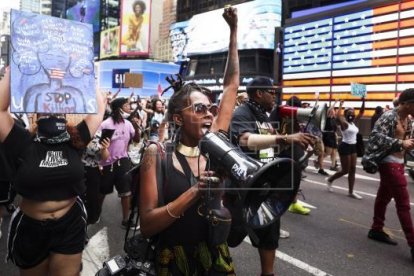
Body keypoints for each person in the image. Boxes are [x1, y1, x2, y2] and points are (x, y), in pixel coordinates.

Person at [139, 6, 238, 275]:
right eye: (199, 109)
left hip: (216, 258)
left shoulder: (215, 144)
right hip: (174, 260)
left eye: (210, 109)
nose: (209, 114)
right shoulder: (155, 153)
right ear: (178, 119)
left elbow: (230, 86)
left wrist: (233, 33)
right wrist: (196, 191)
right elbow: (147, 224)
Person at [0, 66, 105, 275]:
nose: (52, 108)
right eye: (45, 102)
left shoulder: (75, 139)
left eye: (58, 103)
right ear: (35, 114)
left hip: (70, 225)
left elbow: (99, 109)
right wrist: (14, 71)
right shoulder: (22, 141)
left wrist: (87, 75)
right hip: (31, 229)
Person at [230, 77, 314, 276]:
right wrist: (283, 137)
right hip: (244, 186)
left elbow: (270, 145)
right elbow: (245, 140)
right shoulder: (242, 113)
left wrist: (295, 143)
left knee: (269, 232)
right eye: (272, 92)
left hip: (265, 184)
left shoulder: (264, 117)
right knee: (230, 234)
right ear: (259, 93)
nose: (275, 96)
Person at [364, 88, 414, 262]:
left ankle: (376, 229)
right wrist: (400, 142)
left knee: (383, 197)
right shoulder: (389, 116)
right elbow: (375, 137)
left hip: (399, 163)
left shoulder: (408, 119)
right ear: (407, 104)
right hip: (388, 163)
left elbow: (406, 142)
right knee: (403, 204)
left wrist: (408, 144)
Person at [98, 97, 141, 229]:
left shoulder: (128, 124)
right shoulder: (105, 124)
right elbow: (98, 145)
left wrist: (136, 126)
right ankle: (96, 214)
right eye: (127, 105)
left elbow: (136, 139)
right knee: (102, 191)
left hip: (123, 161)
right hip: (106, 163)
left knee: (126, 191)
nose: (129, 108)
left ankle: (126, 219)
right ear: (118, 108)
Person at [326, 98, 365, 198]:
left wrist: (363, 100)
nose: (351, 114)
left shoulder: (353, 123)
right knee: (345, 170)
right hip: (345, 147)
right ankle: (330, 180)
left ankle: (351, 192)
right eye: (349, 113)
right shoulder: (344, 124)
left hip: (353, 147)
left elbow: (361, 112)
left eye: (352, 113)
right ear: (346, 114)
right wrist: (340, 104)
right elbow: (338, 116)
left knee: (353, 169)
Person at [323, 100, 339, 171]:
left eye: (334, 110)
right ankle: (319, 159)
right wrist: (335, 103)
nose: (333, 111)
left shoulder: (334, 119)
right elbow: (329, 110)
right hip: (328, 135)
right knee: (328, 152)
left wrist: (341, 105)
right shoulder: (327, 118)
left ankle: (333, 166)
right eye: (332, 110)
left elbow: (338, 113)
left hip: (333, 135)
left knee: (334, 152)